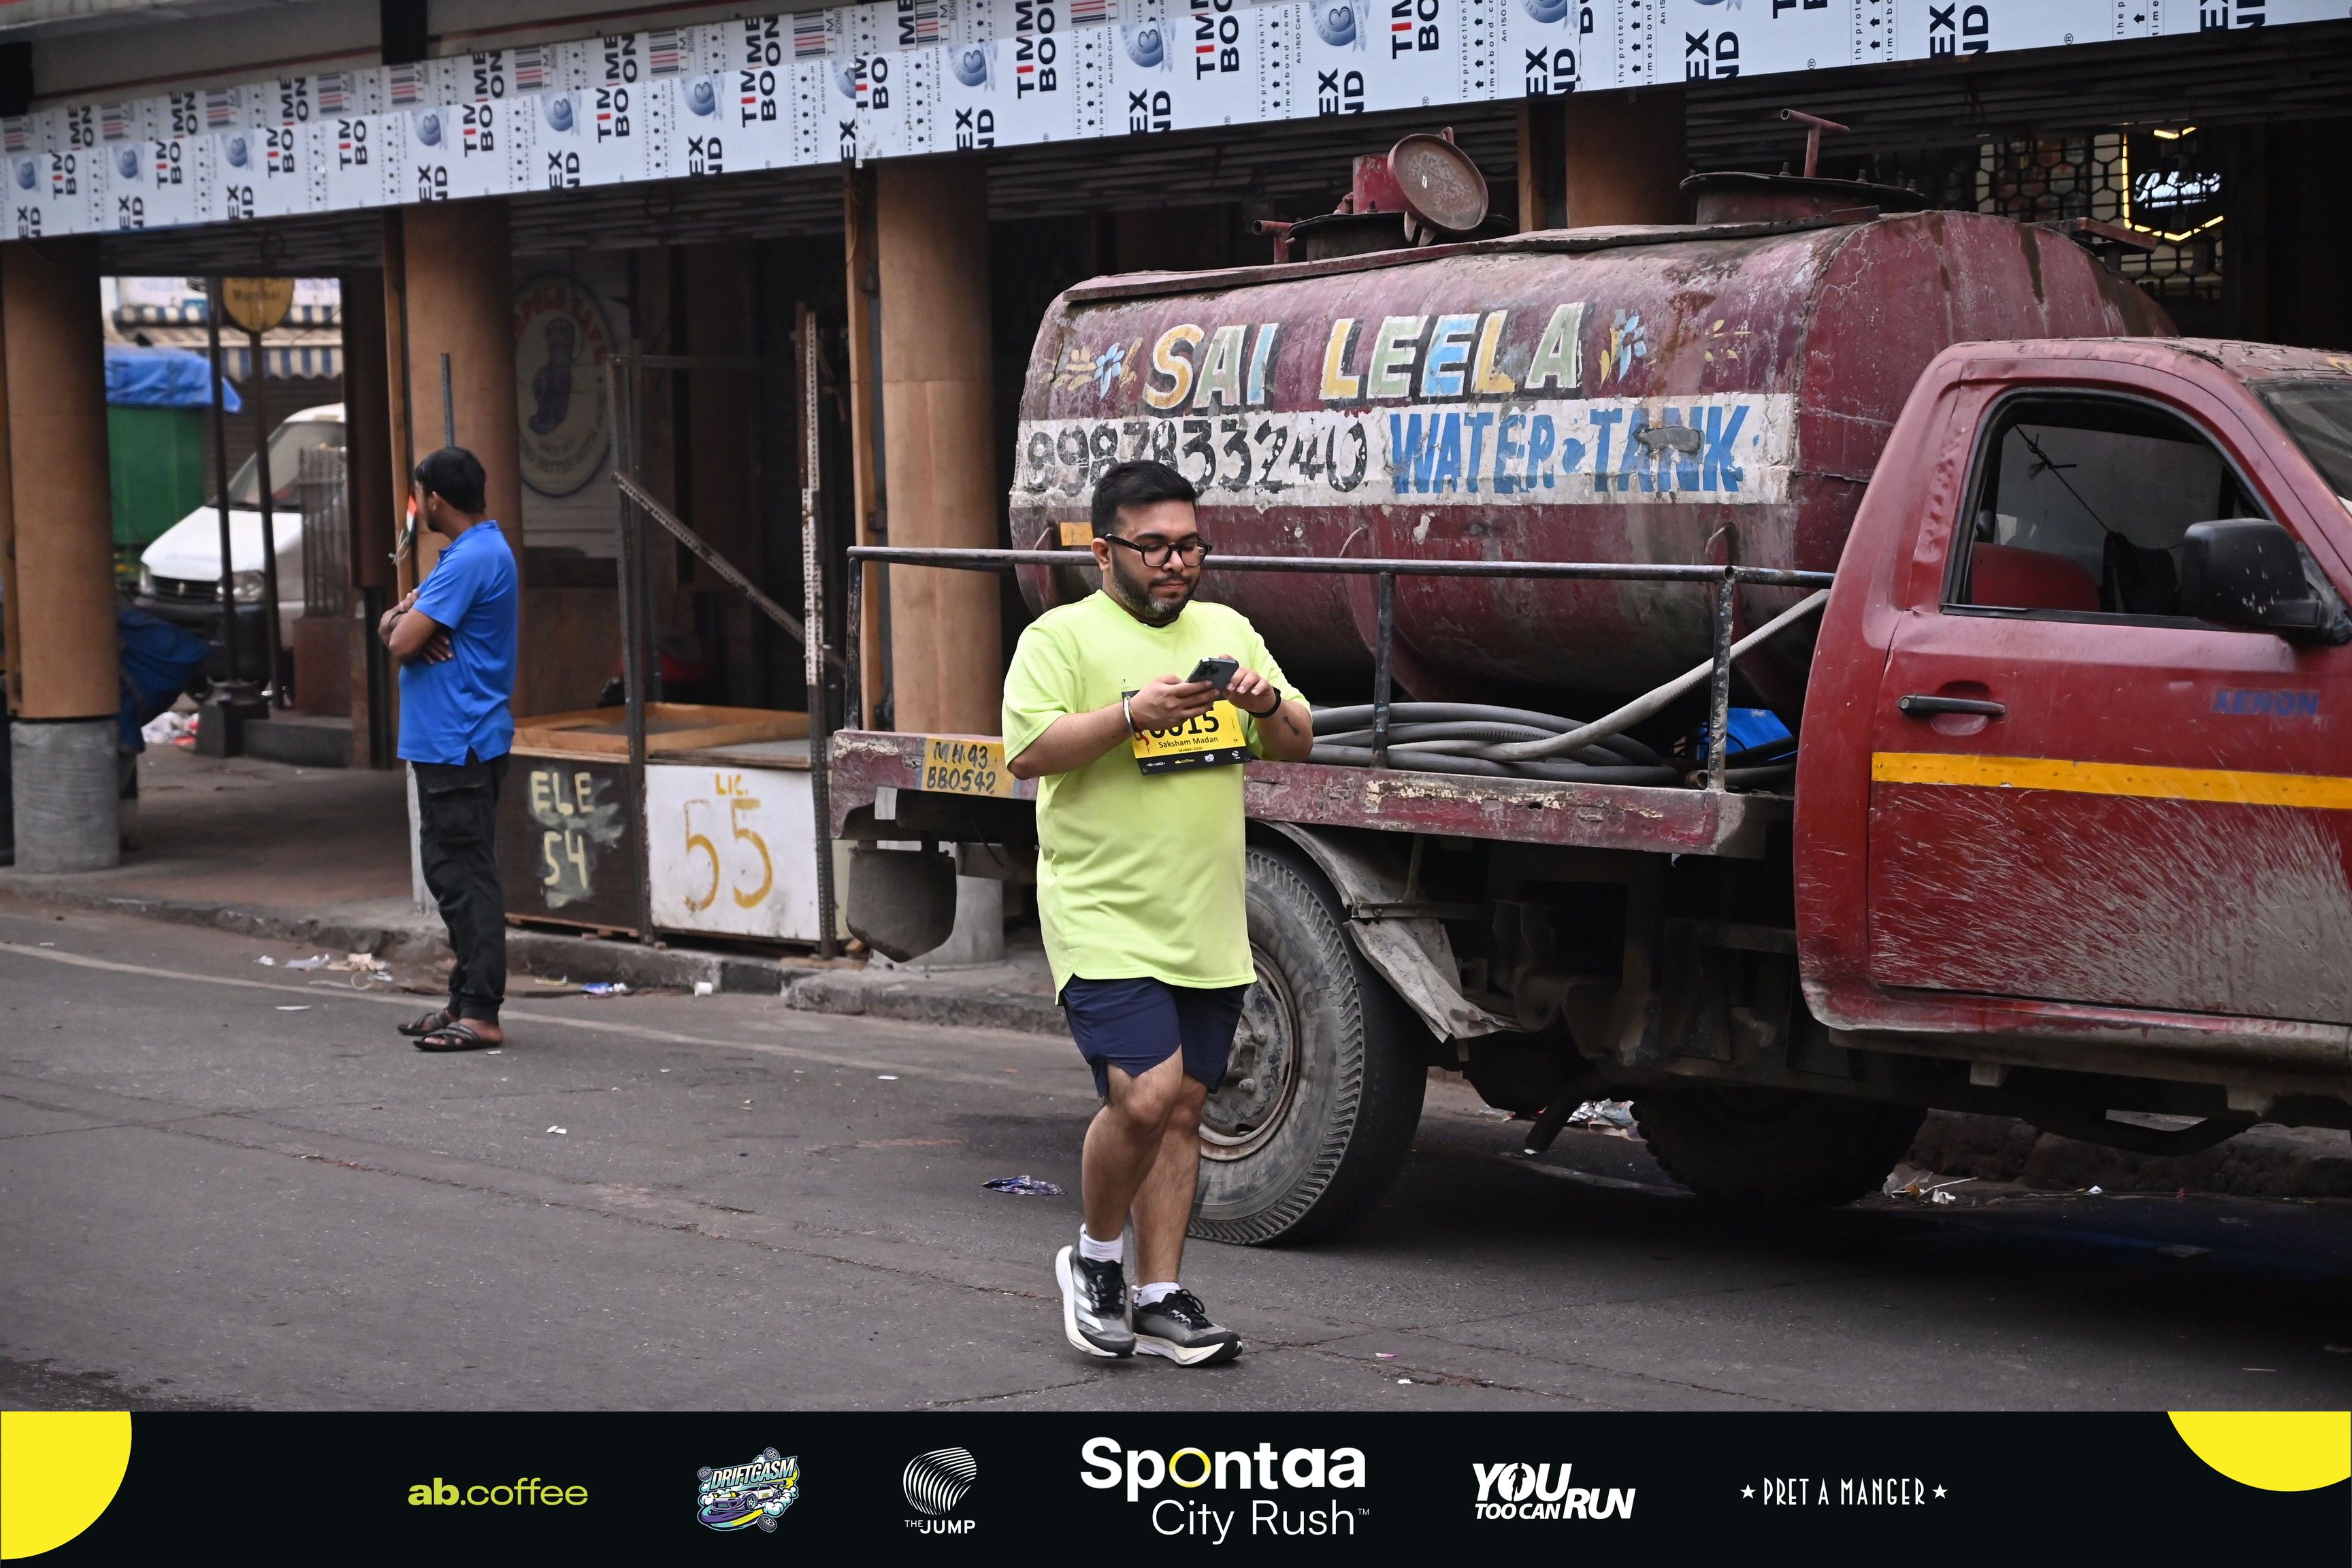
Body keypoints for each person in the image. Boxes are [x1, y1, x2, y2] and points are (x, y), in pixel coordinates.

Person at [1002, 459, 1314, 1366]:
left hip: (1206, 917)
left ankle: (1160, 1295)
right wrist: (1132, 713)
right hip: (1102, 911)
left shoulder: (1228, 631)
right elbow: (1029, 751)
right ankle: (1096, 1261)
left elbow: (1296, 741)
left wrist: (1265, 702)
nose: (1177, 563)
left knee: (1183, 1109)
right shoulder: (1061, 637)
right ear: (1104, 552)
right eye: (1155, 547)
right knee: (1141, 1096)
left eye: (1190, 546)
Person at [378, 446, 519, 1053]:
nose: (419, 506)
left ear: (434, 498)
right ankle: (464, 1001)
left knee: (464, 875)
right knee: (450, 871)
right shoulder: (465, 554)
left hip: (460, 740)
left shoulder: (472, 559)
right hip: (449, 741)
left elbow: (401, 642)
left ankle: (481, 1011)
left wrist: (411, 624)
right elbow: (397, 628)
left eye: (419, 496)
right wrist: (407, 619)